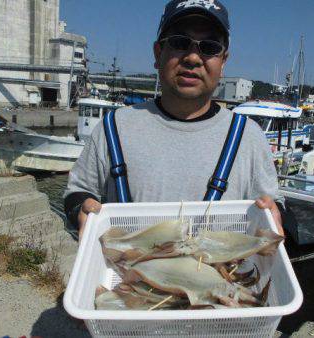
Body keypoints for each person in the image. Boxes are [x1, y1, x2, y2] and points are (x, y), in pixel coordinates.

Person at [64, 0, 284, 238]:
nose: (192, 58)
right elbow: (79, 191)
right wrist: (81, 209)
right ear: (158, 53)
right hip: (129, 272)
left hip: (221, 273)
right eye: (180, 43)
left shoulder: (248, 136)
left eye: (209, 47)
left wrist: (275, 213)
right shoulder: (112, 127)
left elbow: (273, 202)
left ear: (223, 62)